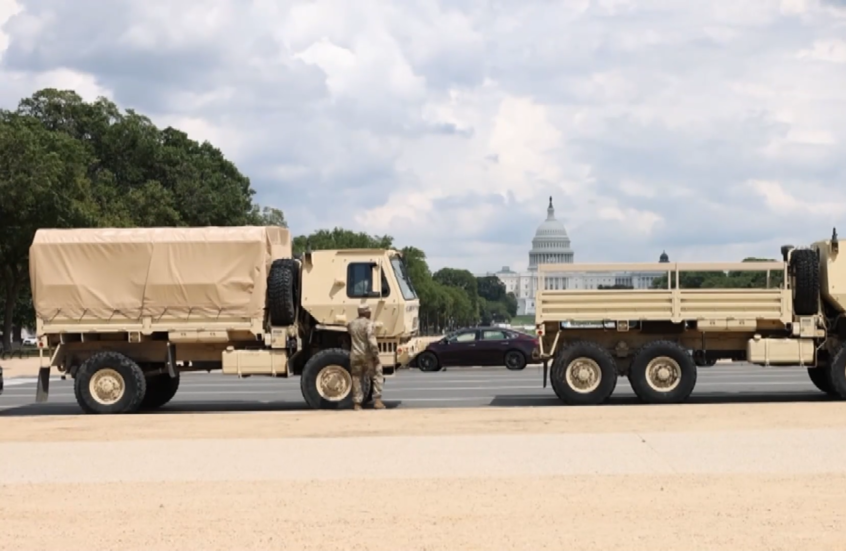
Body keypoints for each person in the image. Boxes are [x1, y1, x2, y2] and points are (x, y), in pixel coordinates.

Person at [347, 304, 385, 411]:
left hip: (355, 355)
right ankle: (377, 401)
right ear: (367, 313)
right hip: (367, 355)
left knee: (357, 378)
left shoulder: (351, 324)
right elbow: (372, 341)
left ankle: (357, 404)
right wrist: (376, 355)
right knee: (377, 374)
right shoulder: (369, 324)